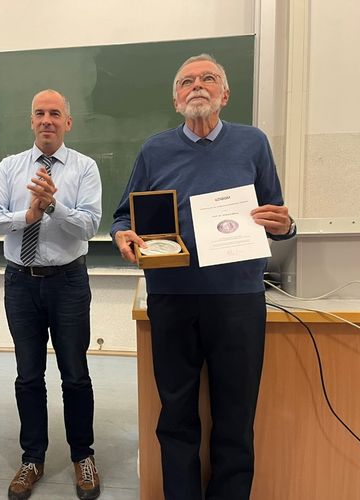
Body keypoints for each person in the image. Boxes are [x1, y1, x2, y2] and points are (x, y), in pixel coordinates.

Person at [111, 54, 296, 500]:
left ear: (225, 94)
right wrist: (123, 236)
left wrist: (285, 225)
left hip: (238, 299)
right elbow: (122, 217)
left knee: (235, 415)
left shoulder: (253, 143)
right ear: (176, 99)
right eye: (187, 82)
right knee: (176, 415)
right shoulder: (154, 150)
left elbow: (278, 215)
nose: (198, 86)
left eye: (208, 79)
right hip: (172, 297)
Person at [0, 89, 102, 500]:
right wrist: (27, 215)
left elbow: (88, 225)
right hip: (20, 282)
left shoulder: (84, 168)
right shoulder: (9, 167)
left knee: (75, 374)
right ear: (31, 122)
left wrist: (52, 208)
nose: (47, 120)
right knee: (28, 375)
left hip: (68, 281)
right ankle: (32, 457)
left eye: (55, 114)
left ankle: (82, 455)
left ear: (68, 122)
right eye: (39, 113)